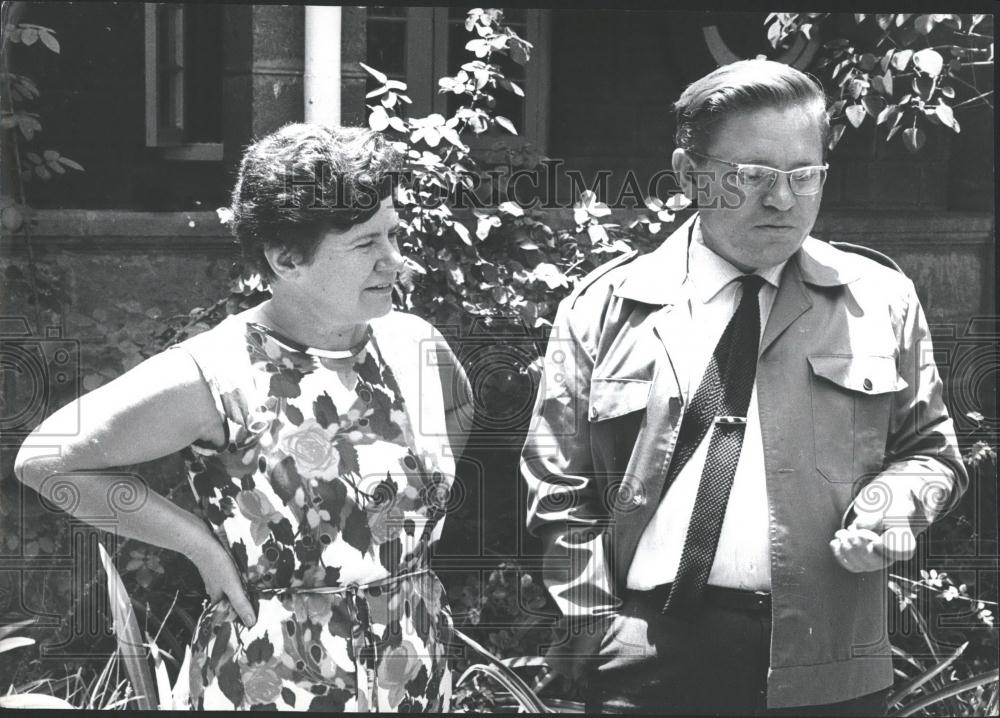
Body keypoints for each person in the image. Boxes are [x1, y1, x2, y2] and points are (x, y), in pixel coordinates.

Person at [522, 59, 967, 716]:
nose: (782, 199)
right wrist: (599, 631)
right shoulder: (604, 310)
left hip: (831, 662)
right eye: (751, 176)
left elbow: (931, 452)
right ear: (687, 173)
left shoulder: (881, 302)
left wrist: (893, 509)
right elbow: (559, 491)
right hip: (649, 662)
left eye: (803, 175)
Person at [15, 123, 472, 711]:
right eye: (365, 245)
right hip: (276, 682)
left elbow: (458, 407)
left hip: (412, 670)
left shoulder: (415, 344)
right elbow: (46, 461)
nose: (395, 261)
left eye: (394, 235)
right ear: (286, 258)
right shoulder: (217, 373)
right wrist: (198, 544)